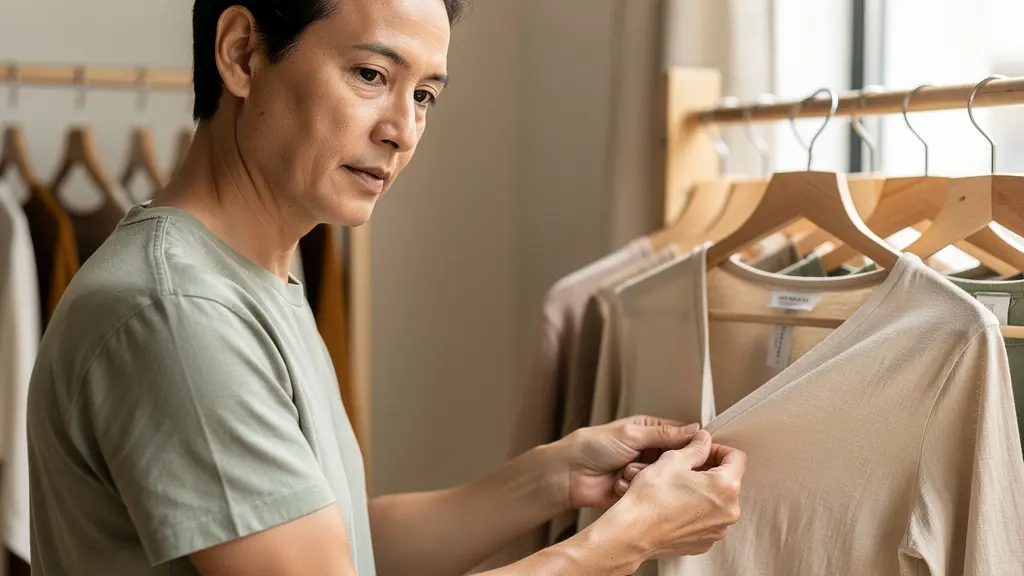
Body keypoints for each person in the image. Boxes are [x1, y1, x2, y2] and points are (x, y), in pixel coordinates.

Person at [26, 1, 747, 574]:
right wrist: (622, 542)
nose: (404, 130)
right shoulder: (180, 314)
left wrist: (555, 479)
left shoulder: (249, 276)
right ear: (241, 52)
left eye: (426, 94)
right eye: (372, 75)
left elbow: (332, 546)